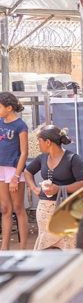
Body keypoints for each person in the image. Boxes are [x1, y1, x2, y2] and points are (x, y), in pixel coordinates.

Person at [24, 126, 83, 250]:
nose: (38, 144)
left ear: (48, 142)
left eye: (39, 141)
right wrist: (34, 188)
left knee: (69, 243)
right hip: (44, 209)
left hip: (66, 209)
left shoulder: (73, 159)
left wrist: (59, 189)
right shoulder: (42, 158)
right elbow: (27, 172)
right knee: (45, 245)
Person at [0, 92, 29, 249]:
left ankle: (23, 248)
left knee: (18, 208)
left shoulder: (20, 126)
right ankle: (4, 247)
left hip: (14, 170)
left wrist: (16, 176)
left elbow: (24, 152)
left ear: (9, 108)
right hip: (1, 169)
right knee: (5, 208)